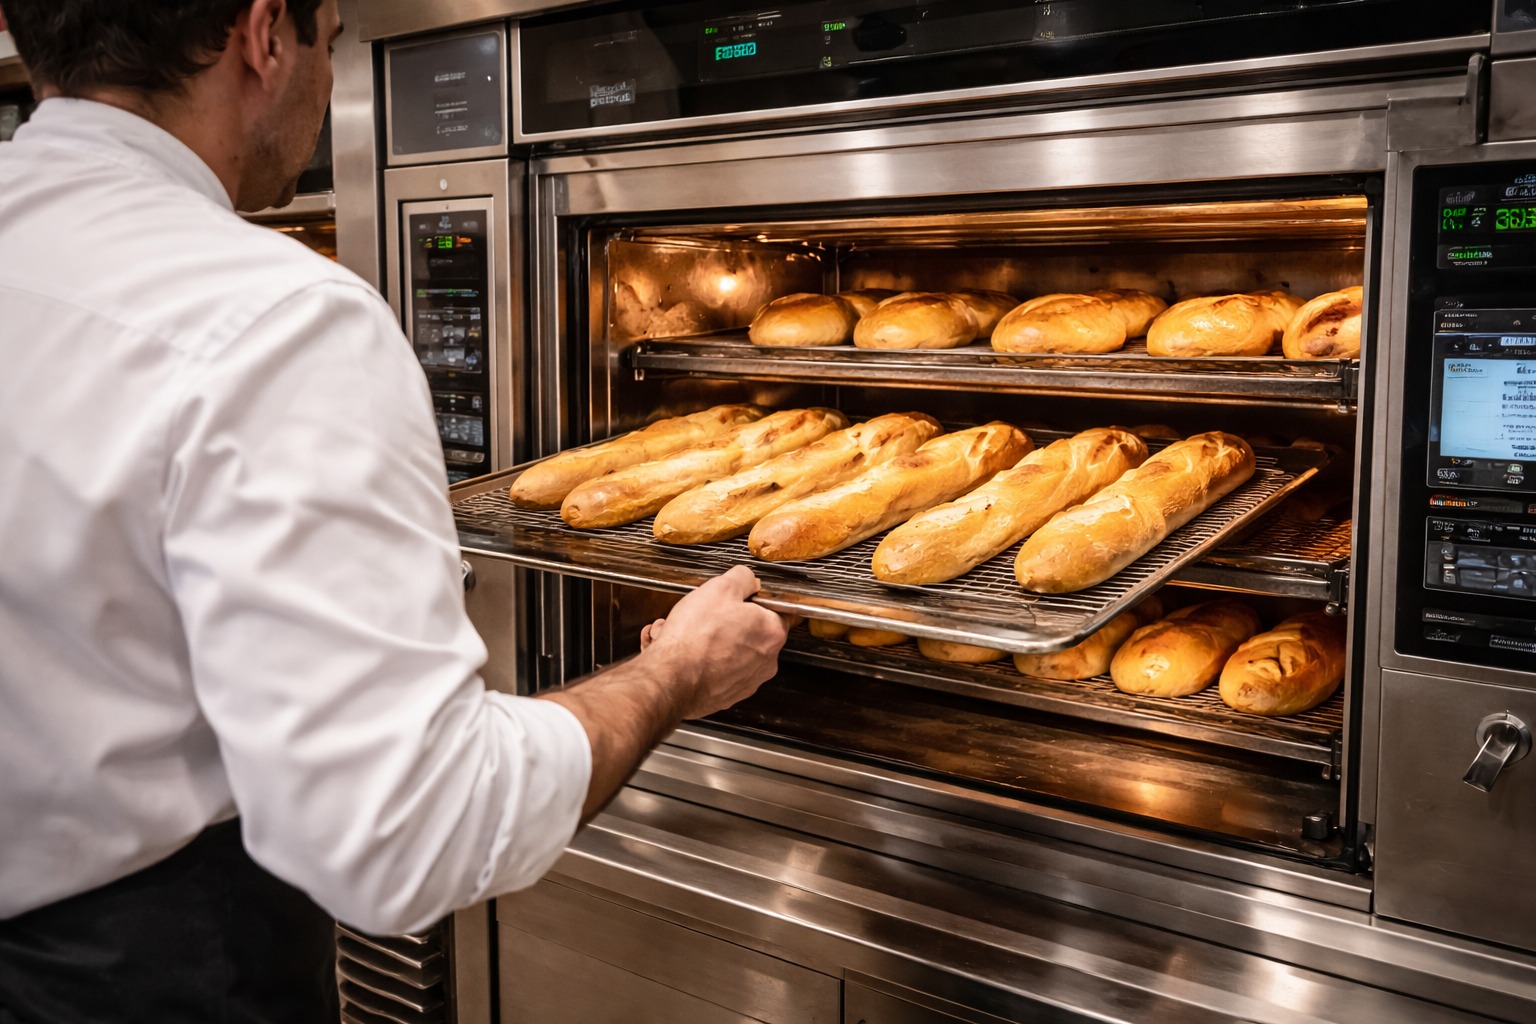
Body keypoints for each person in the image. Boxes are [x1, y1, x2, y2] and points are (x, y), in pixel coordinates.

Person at [0, 2, 788, 1021]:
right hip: (148, 973)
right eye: (332, 38)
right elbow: (409, 831)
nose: (332, 81)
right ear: (264, 36)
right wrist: (676, 670)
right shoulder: (275, 320)